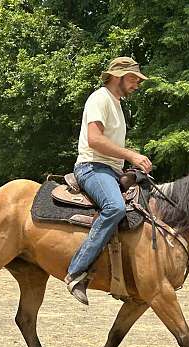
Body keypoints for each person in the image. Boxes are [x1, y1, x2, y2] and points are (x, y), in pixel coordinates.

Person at [64, 56, 153, 305]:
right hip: (92, 167)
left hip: (110, 170)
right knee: (114, 207)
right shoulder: (100, 98)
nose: (137, 83)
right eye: (133, 78)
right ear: (118, 76)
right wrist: (132, 155)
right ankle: (76, 271)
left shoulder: (116, 104)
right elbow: (94, 140)